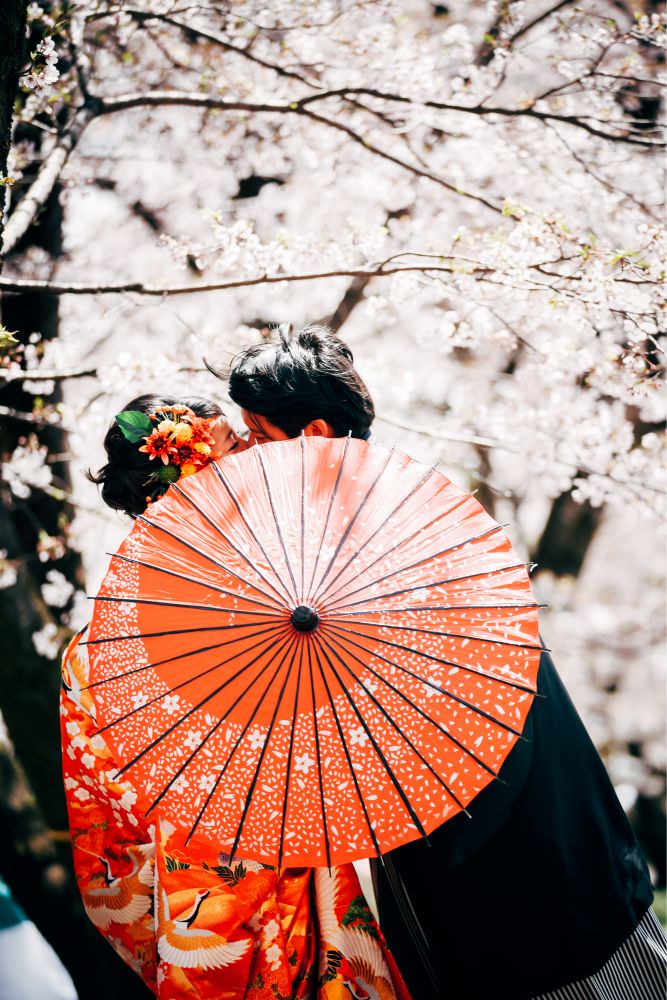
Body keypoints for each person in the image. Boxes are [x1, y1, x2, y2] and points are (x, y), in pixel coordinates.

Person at [221, 325, 667, 1000]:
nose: (246, 454)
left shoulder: (353, 539)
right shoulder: (393, 507)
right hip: (485, 816)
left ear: (311, 432)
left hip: (490, 829)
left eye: (255, 435)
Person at [61, 392, 411, 999]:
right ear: (192, 480)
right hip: (226, 893)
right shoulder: (251, 610)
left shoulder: (95, 642)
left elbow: (103, 843)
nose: (255, 455)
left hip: (202, 906)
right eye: (235, 447)